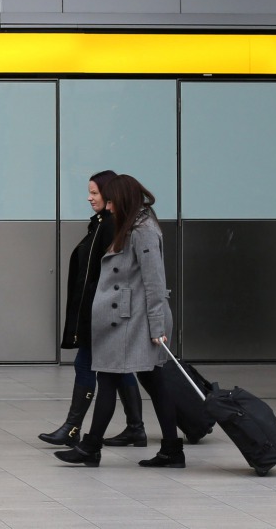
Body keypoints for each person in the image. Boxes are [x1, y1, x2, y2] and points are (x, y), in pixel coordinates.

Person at [55, 174, 182, 468]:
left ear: (122, 198)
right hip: (126, 319)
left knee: (119, 380)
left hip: (135, 322)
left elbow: (154, 281)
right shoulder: (131, 224)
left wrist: (157, 327)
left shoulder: (143, 229)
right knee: (143, 382)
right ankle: (170, 449)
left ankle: (91, 448)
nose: (106, 206)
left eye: (109, 199)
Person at [38, 170, 146, 448]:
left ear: (110, 194)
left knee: (85, 364)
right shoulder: (101, 223)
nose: (89, 198)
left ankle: (72, 429)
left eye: (95, 193)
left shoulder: (110, 225)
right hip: (97, 309)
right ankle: (136, 428)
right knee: (118, 370)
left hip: (102, 311)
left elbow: (111, 273)